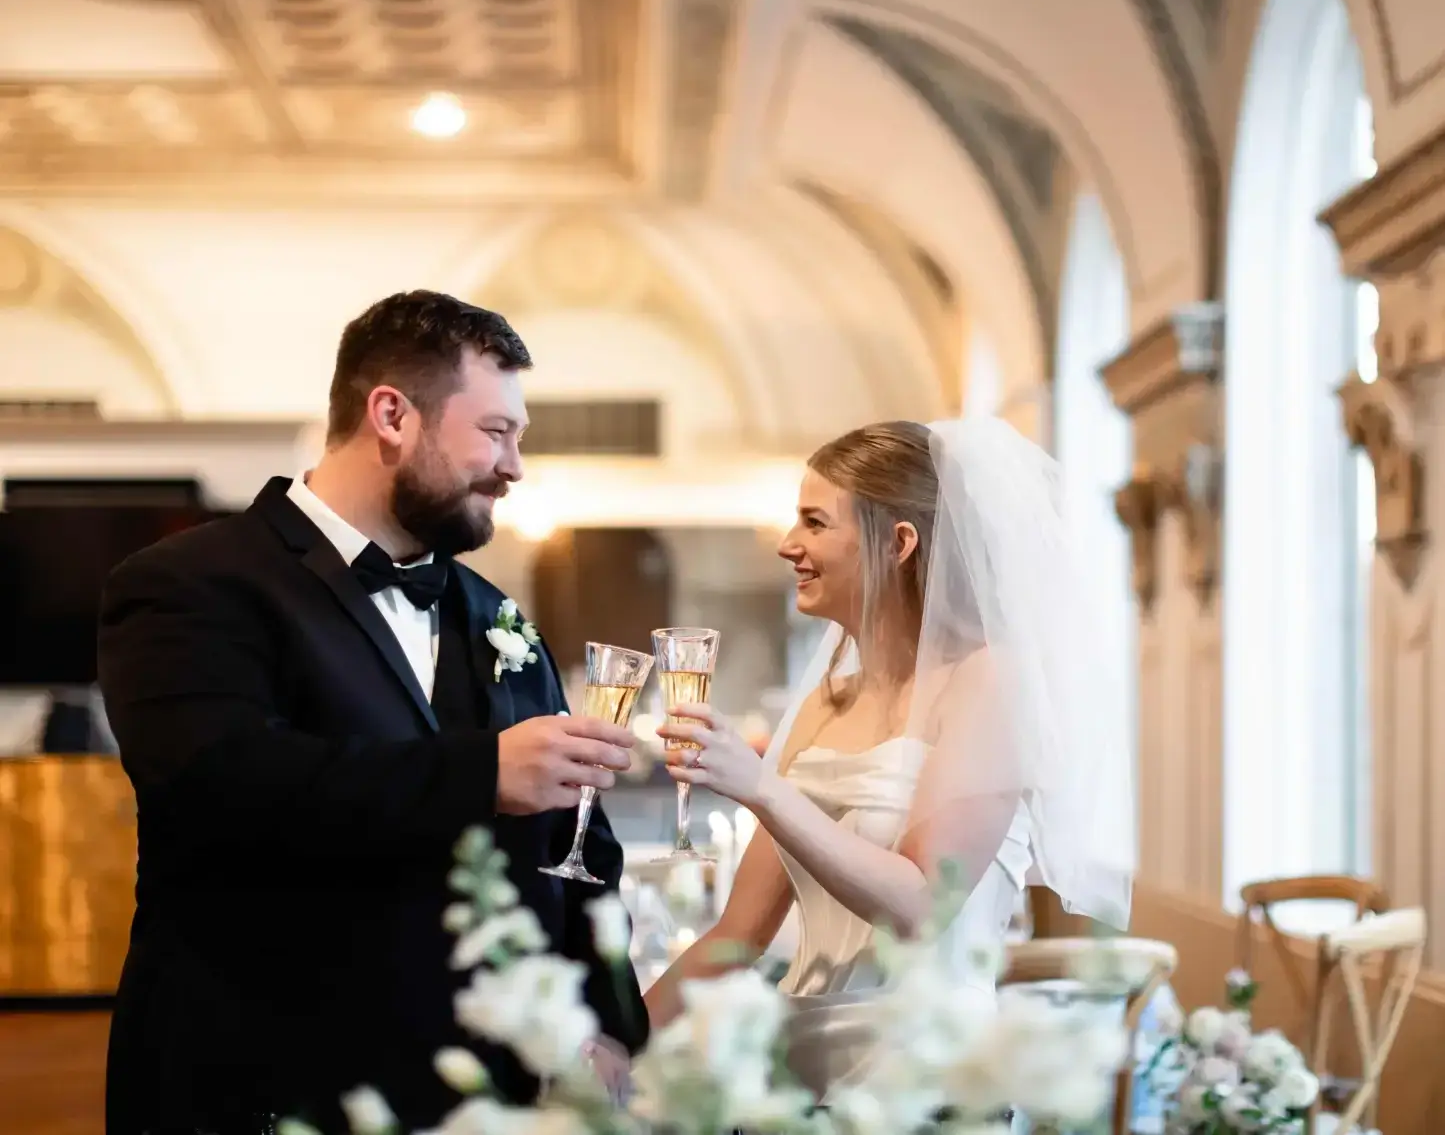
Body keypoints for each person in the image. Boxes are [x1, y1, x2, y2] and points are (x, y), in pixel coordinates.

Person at [98, 291, 647, 1135]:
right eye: (496, 432)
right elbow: (220, 783)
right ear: (391, 414)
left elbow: (581, 847)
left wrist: (605, 1024)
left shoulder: (495, 614)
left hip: (474, 1096)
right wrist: (483, 773)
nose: (515, 467)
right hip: (260, 1079)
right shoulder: (191, 583)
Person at [643, 418, 1134, 1101]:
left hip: (926, 1073)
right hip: (801, 1067)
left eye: (814, 522)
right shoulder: (824, 702)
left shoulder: (988, 680)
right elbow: (737, 933)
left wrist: (761, 787)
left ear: (898, 541)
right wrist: (608, 1039)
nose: (788, 545)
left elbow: (924, 904)